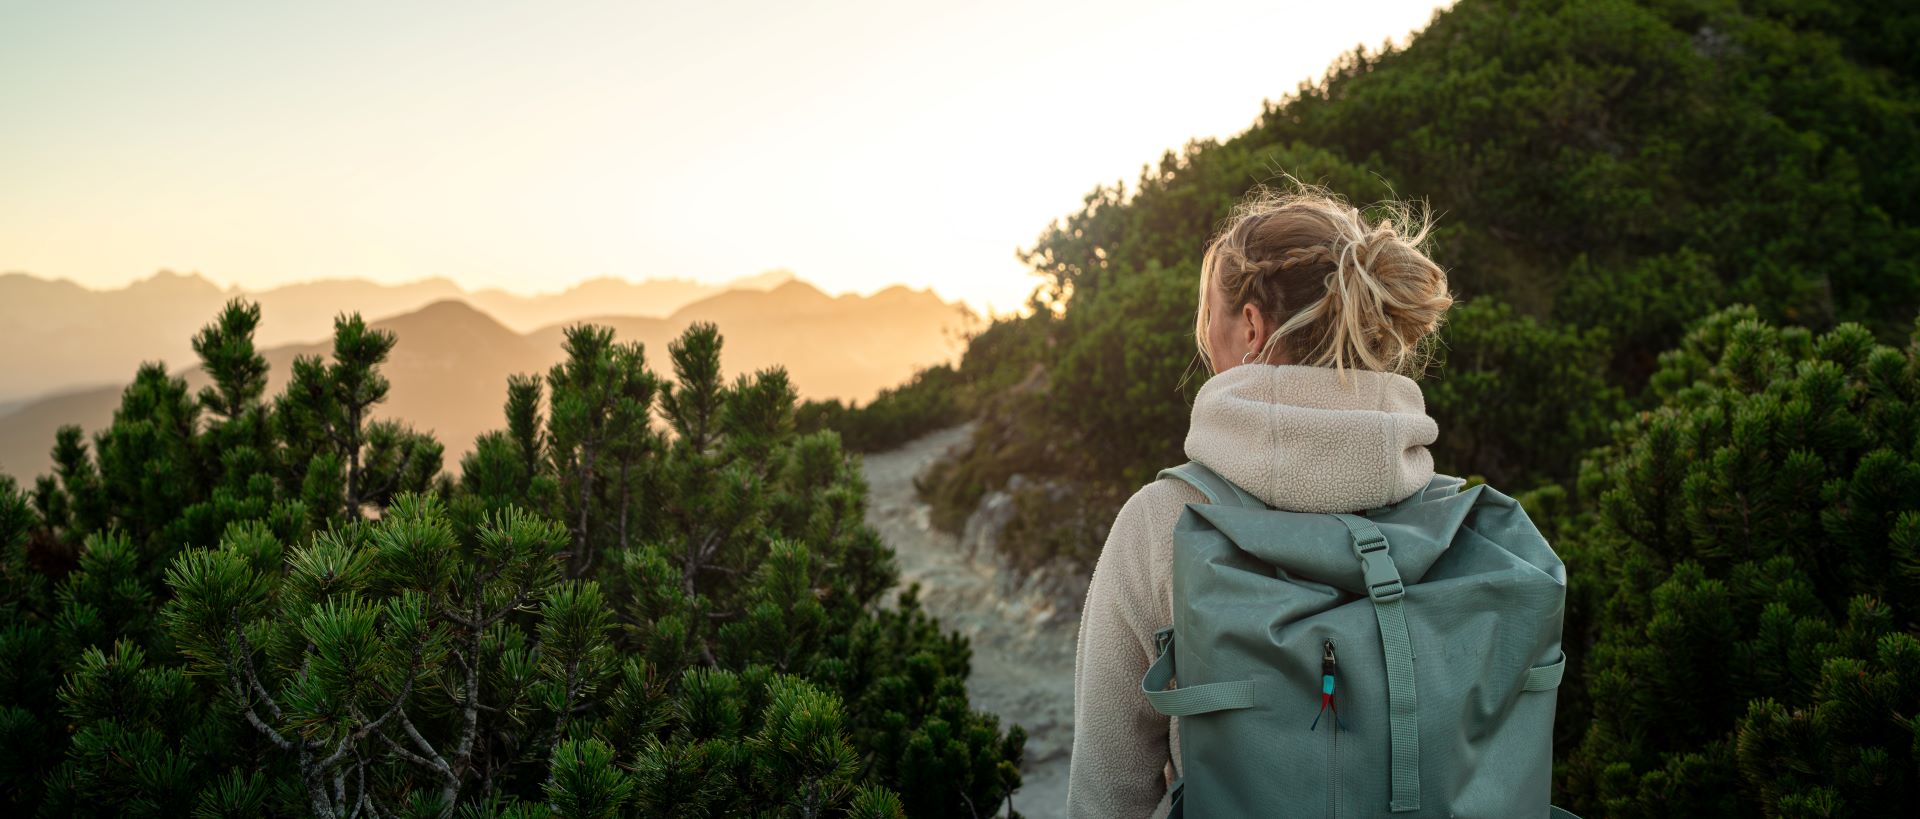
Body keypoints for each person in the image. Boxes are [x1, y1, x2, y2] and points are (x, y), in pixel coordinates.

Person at [1066, 182, 1454, 818]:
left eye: (1211, 320)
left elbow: (1108, 796)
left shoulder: (1164, 522)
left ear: (1250, 326)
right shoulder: (1449, 520)